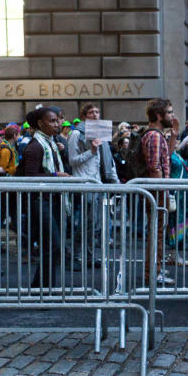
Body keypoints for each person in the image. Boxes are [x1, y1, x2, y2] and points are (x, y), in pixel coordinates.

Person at [22, 106, 72, 287]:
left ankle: (43, 288)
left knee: (53, 247)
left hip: (53, 199)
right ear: (40, 124)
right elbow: (29, 177)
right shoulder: (35, 146)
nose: (57, 124)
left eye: (58, 120)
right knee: (53, 246)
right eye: (52, 121)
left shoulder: (52, 143)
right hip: (41, 201)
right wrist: (55, 176)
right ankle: (41, 289)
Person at [68, 103, 120, 263]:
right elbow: (72, 161)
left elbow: (107, 159)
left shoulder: (100, 131)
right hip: (84, 182)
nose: (95, 115)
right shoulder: (76, 134)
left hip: (98, 182)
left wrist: (114, 180)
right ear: (84, 116)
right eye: (91, 112)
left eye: (97, 112)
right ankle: (77, 253)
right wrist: (91, 151)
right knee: (86, 222)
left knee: (95, 223)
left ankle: (90, 255)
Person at [140, 98, 179, 284]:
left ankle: (155, 271)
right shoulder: (154, 136)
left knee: (158, 233)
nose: (172, 115)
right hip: (156, 192)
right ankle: (152, 274)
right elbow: (155, 166)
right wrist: (162, 191)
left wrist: (174, 136)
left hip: (157, 191)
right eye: (169, 112)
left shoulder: (158, 135)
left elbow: (166, 158)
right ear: (158, 115)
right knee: (157, 234)